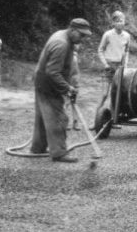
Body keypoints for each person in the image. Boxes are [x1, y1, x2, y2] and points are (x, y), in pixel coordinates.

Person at [31, 18, 92, 163]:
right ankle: (59, 153)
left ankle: (38, 148)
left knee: (42, 118)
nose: (82, 39)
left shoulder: (63, 36)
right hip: (49, 86)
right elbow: (53, 72)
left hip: (41, 83)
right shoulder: (62, 44)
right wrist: (67, 88)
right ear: (72, 30)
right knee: (59, 118)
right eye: (81, 35)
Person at [98, 11, 131, 90]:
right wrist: (105, 64)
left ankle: (114, 103)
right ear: (113, 23)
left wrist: (125, 64)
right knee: (105, 93)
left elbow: (126, 51)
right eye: (117, 21)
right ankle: (102, 102)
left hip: (120, 66)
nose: (119, 23)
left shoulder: (127, 36)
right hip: (109, 65)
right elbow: (100, 50)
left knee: (118, 91)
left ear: (124, 22)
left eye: (121, 21)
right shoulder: (108, 34)